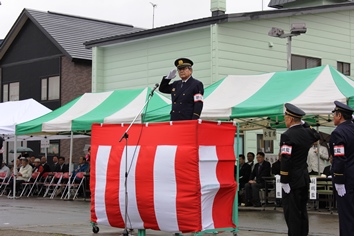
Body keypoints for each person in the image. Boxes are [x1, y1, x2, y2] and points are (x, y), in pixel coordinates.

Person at [280, 103, 319, 236]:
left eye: (285, 117)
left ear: (290, 119)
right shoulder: (308, 133)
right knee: (302, 211)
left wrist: (284, 180)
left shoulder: (287, 135)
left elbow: (286, 159)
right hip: (303, 177)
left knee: (292, 213)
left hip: (291, 179)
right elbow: (316, 134)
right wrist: (304, 123)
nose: (284, 120)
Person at [329, 100, 354, 236]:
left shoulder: (338, 133)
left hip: (346, 180)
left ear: (339, 116)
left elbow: (339, 158)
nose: (333, 118)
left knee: (346, 216)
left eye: (334, 115)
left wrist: (338, 180)